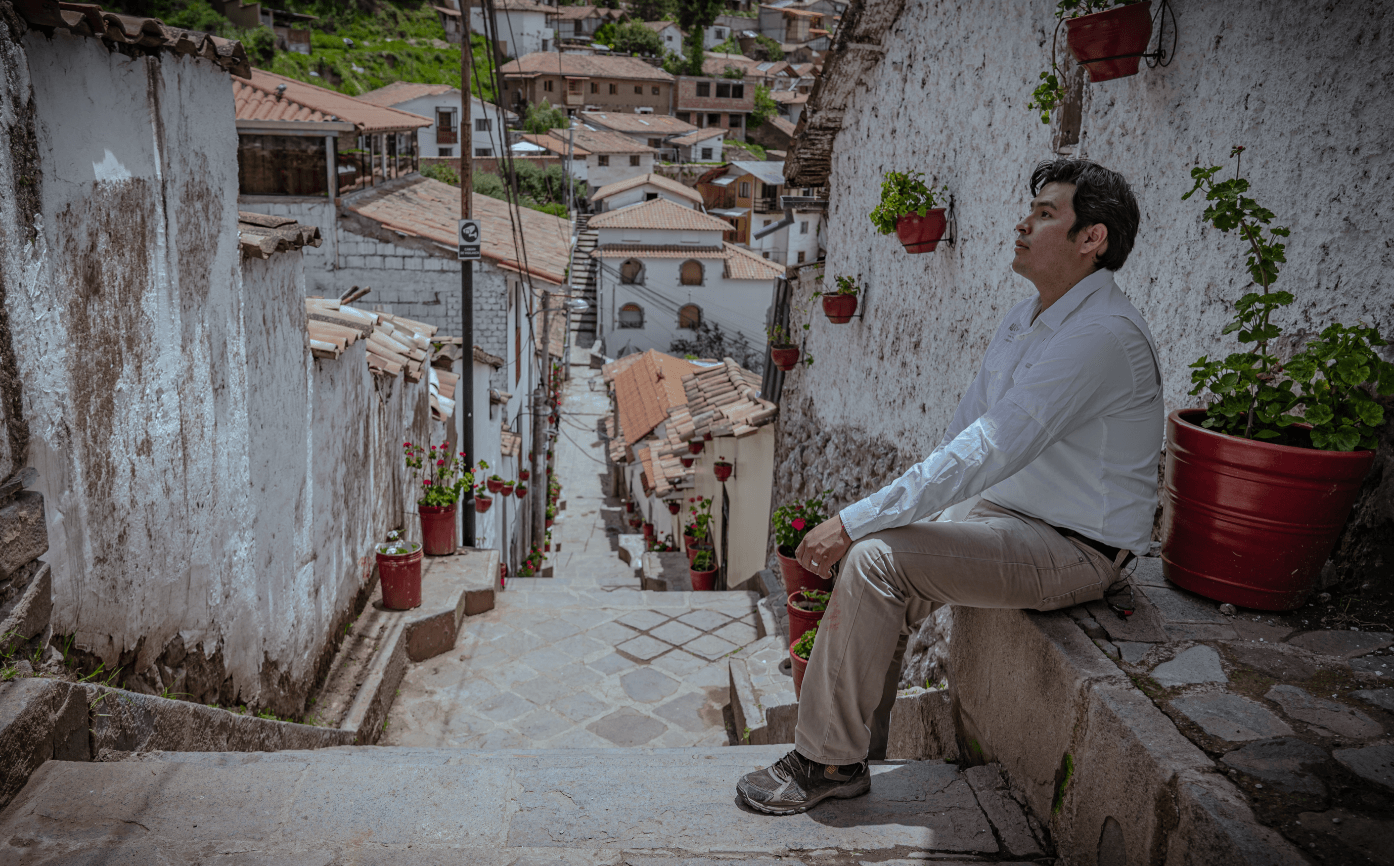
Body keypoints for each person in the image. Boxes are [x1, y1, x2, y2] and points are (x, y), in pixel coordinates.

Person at [736, 158, 1163, 815]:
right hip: (1013, 516)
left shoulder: (1100, 336)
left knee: (876, 559)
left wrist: (856, 524)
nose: (1023, 222)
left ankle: (826, 763)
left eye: (1047, 213)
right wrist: (883, 521)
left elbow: (991, 448)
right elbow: (960, 440)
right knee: (882, 558)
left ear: (1092, 239)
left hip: (1076, 547)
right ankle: (849, 757)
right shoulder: (1025, 320)